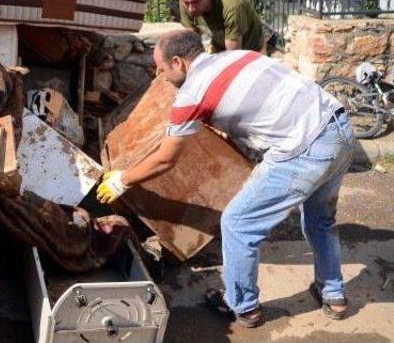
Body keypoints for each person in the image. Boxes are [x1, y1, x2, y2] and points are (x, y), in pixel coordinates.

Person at [96, 29, 354, 328]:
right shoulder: (238, 57)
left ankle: (242, 306)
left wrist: (122, 179)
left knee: (238, 223)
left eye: (162, 67)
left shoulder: (191, 94)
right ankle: (333, 294)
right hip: (339, 128)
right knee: (320, 221)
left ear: (178, 62)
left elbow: (166, 158)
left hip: (303, 147)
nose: (159, 74)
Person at [179, 0, 264, 53]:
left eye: (196, 2)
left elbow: (233, 55)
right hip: (220, 45)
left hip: (252, 47)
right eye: (186, 3)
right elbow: (193, 41)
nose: (191, 9)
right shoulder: (186, 0)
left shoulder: (231, 6)